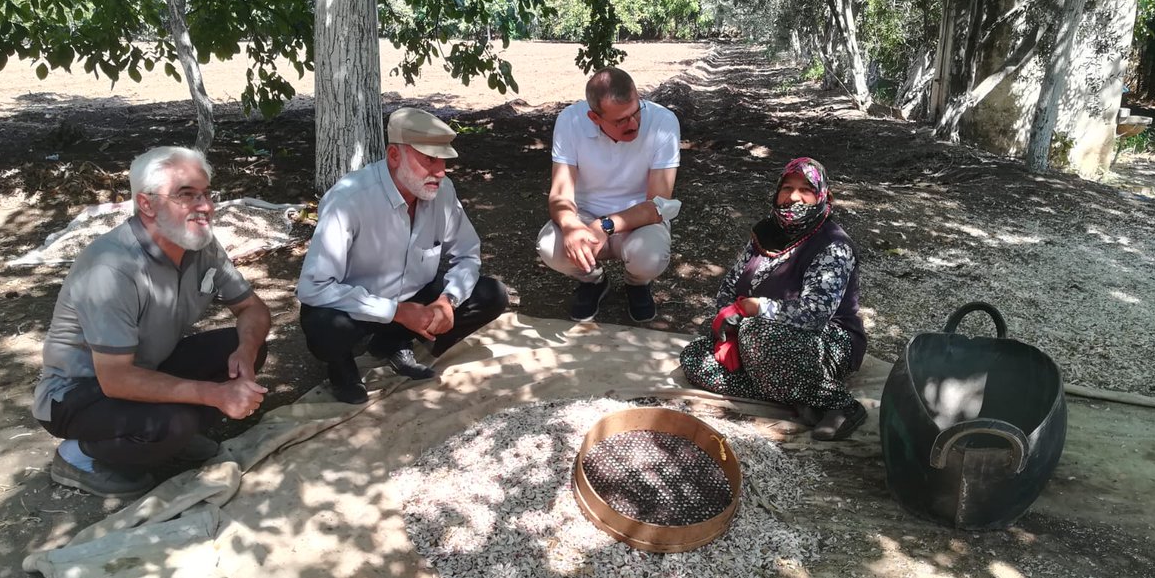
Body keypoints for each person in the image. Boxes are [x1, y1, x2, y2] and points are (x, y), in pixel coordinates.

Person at [34, 147, 271, 499]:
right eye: (186, 196)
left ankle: (173, 436)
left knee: (244, 349)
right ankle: (78, 455)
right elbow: (116, 379)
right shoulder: (111, 267)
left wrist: (246, 354)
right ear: (146, 204)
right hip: (78, 393)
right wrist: (216, 395)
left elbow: (254, 310)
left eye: (206, 194)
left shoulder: (200, 244)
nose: (205, 207)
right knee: (174, 423)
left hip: (147, 365)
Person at [297, 107, 509, 403]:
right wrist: (395, 311)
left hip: (415, 294)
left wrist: (447, 302)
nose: (440, 173)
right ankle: (340, 365)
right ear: (394, 156)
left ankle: (393, 342)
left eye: (443, 162)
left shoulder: (442, 191)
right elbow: (313, 286)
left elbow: (468, 254)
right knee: (324, 328)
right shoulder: (349, 199)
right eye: (428, 160)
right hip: (358, 304)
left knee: (492, 294)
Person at [680, 157, 868, 441]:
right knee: (694, 358)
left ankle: (838, 403)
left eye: (805, 189)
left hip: (826, 340)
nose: (793, 196)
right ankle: (790, 391)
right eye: (787, 187)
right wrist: (727, 322)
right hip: (758, 340)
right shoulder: (766, 233)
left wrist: (756, 309)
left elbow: (815, 315)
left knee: (758, 332)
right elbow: (729, 287)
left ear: (822, 196)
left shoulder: (833, 245)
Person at [536, 67, 681, 323]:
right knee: (549, 245)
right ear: (594, 117)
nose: (633, 123)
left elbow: (658, 205)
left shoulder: (663, 122)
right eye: (621, 120)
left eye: (636, 112)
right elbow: (560, 194)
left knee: (651, 255)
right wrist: (571, 227)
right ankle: (592, 280)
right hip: (585, 215)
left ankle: (637, 283)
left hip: (640, 220)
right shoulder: (570, 121)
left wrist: (605, 226)